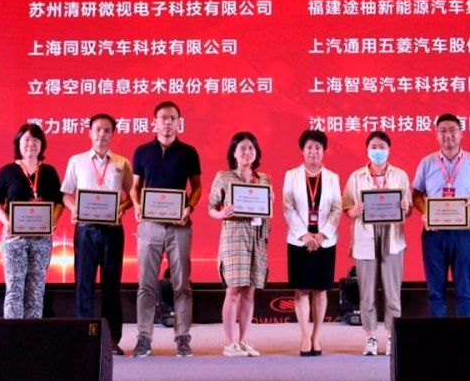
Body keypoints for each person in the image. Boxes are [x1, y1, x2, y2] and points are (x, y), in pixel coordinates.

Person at [129, 101, 202, 358]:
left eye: (173, 118)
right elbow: (135, 187)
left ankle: (182, 338)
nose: (168, 122)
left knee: (182, 284)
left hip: (179, 226)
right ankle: (144, 338)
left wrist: (188, 208)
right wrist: (137, 205)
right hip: (149, 225)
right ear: (155, 122)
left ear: (178, 122)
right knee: (146, 284)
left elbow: (197, 188)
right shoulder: (142, 152)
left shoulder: (189, 152)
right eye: (163, 118)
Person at [60, 113, 133, 355]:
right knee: (84, 284)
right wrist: (74, 209)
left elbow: (133, 195)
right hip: (85, 230)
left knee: (112, 285)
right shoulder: (77, 161)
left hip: (113, 231)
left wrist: (120, 209)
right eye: (98, 130)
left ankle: (111, 339)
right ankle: (84, 338)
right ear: (89, 133)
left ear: (113, 134)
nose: (102, 134)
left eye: (107, 130)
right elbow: (66, 194)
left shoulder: (122, 163)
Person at [411, 114, 470, 317]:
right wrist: (425, 212)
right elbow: (416, 194)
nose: (448, 135)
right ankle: (440, 334)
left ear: (461, 133)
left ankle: (464, 333)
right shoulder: (427, 162)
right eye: (443, 131)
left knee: (465, 288)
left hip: (464, 231)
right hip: (434, 232)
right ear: (436, 135)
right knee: (435, 290)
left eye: (453, 130)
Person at [342, 131, 412, 356]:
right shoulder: (356, 176)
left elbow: (409, 208)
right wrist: (354, 211)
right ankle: (370, 337)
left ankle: (392, 337)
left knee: (392, 292)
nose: (378, 151)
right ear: (367, 150)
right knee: (367, 294)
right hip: (365, 236)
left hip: (392, 237)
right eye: (374, 147)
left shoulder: (400, 175)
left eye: (382, 147)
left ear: (389, 149)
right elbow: (346, 208)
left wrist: (405, 208)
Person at [0, 123, 63, 318]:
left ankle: (32, 333)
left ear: (42, 144)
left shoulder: (49, 172)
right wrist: (6, 221)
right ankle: (12, 333)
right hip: (14, 239)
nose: (31, 144)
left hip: (41, 240)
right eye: (27, 139)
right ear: (18, 143)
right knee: (14, 288)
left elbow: (59, 202)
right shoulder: (7, 171)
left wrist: (53, 221)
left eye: (36, 140)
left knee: (36, 290)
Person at [208, 132, 272, 357]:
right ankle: (229, 343)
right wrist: (222, 213)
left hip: (257, 237)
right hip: (234, 237)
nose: (247, 152)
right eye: (242, 148)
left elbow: (267, 209)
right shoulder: (224, 177)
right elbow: (211, 208)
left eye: (251, 148)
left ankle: (244, 341)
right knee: (234, 290)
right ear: (234, 153)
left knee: (249, 291)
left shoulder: (264, 179)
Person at [282, 129, 342, 355]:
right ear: (302, 150)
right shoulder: (291, 175)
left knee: (320, 290)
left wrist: (322, 234)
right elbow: (288, 207)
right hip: (299, 241)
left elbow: (337, 209)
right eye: (309, 147)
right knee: (302, 290)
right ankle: (305, 337)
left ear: (323, 151)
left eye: (318, 147)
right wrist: (304, 235)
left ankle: (317, 337)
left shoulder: (333, 177)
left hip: (325, 241)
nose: (313, 151)